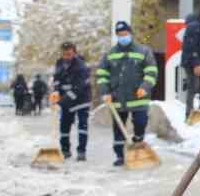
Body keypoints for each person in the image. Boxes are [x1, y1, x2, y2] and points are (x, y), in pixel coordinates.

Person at [96, 20, 159, 167]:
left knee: (140, 123)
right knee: (118, 128)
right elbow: (102, 74)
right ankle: (119, 155)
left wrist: (145, 86)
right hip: (117, 98)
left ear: (130, 34)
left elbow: (151, 71)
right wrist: (105, 92)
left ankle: (138, 145)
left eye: (125, 34)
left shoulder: (143, 51)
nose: (123, 37)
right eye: (120, 35)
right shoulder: (110, 54)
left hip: (139, 97)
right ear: (117, 36)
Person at [50, 41, 91, 161]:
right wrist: (56, 91)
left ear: (74, 52)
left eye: (69, 54)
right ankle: (65, 150)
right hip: (65, 99)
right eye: (64, 54)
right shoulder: (59, 63)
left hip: (81, 99)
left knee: (82, 125)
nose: (66, 56)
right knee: (64, 125)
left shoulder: (81, 67)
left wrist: (61, 103)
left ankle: (81, 151)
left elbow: (77, 89)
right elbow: (57, 78)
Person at [180, 11, 200, 116]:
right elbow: (191, 46)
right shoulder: (195, 26)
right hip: (194, 63)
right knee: (193, 87)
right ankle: (190, 113)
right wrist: (196, 63)